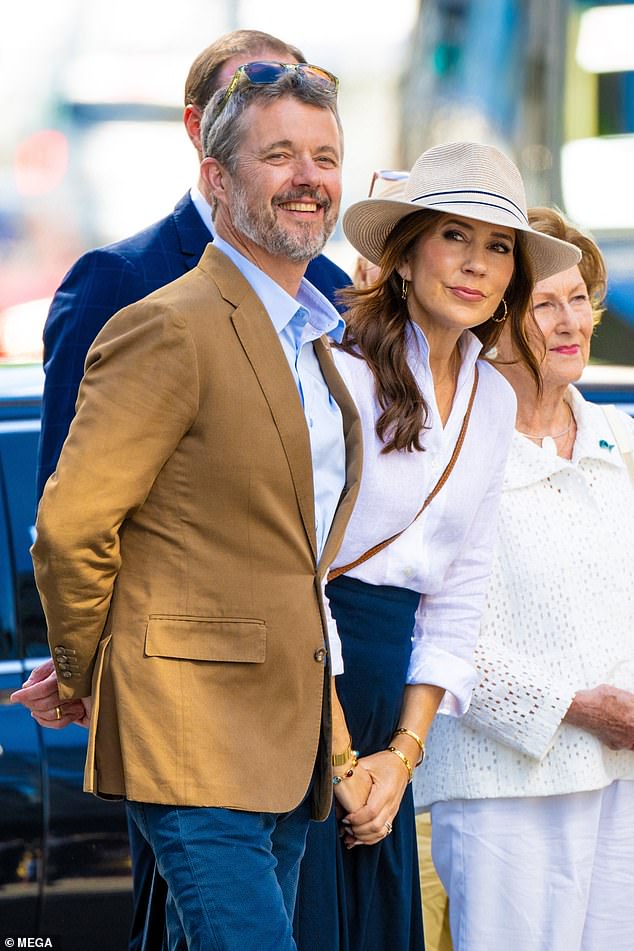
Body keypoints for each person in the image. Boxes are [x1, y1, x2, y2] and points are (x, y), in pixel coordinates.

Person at [13, 29, 350, 951]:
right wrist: (90, 671)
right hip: (189, 726)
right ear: (216, 173)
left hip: (290, 733)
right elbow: (70, 519)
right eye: (277, 154)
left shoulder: (321, 321)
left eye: (323, 156)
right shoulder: (153, 312)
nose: (306, 175)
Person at [293, 144, 582, 950]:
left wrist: (401, 756)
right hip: (303, 684)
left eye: (499, 247)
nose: (477, 264)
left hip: (395, 699)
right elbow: (294, 569)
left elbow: (460, 589)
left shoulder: (492, 393)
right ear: (408, 249)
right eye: (456, 235)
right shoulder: (334, 367)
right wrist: (346, 755)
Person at [418, 206, 634, 951]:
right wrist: (578, 706)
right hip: (505, 791)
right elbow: (433, 632)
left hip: (628, 776)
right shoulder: (445, 447)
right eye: (545, 304)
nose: (571, 320)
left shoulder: (623, 439)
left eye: (579, 298)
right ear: (497, 322)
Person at [36, 29, 350, 499]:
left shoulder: (333, 288)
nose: (304, 174)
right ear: (198, 129)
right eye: (245, 101)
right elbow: (65, 509)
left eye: (322, 155)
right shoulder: (119, 279)